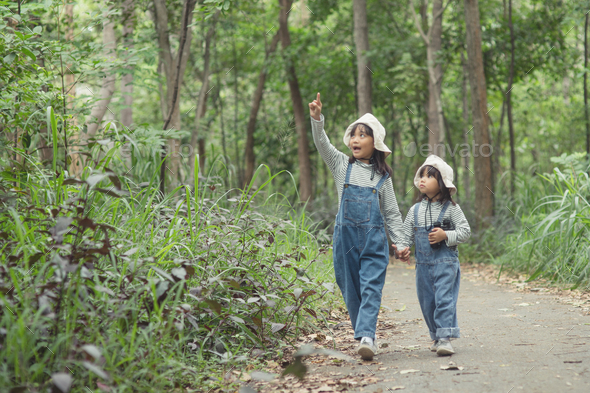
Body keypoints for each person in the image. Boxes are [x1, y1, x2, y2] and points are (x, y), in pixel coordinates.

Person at [308, 93, 409, 360]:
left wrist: (401, 241)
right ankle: (362, 331)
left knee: (371, 286)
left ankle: (367, 336)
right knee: (350, 286)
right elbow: (322, 144)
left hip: (374, 239)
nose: (355, 139)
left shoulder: (383, 177)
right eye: (353, 134)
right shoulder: (342, 165)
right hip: (346, 238)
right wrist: (317, 119)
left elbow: (391, 212)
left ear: (375, 143)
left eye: (362, 135)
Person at [396, 154, 471, 356]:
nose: (422, 179)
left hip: (445, 263)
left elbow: (465, 231)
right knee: (427, 300)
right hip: (422, 265)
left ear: (442, 183)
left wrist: (446, 234)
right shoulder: (415, 210)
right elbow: (405, 234)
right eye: (421, 175)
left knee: (444, 299)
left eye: (429, 176)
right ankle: (436, 336)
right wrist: (402, 248)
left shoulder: (452, 209)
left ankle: (445, 338)